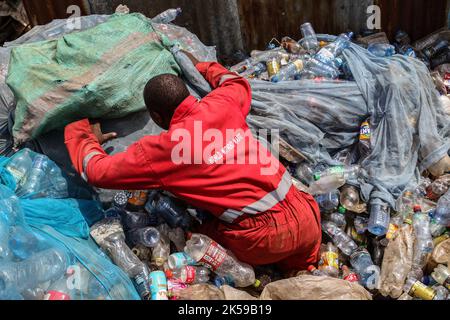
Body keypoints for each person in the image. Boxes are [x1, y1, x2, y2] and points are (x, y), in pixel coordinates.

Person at [64, 51, 321, 273]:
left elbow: (97, 171)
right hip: (307, 215)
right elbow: (235, 82)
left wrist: (83, 134)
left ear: (156, 116)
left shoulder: (164, 150)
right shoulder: (223, 103)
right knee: (306, 272)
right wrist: (199, 65)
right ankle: (302, 268)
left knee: (194, 239)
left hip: (263, 239)